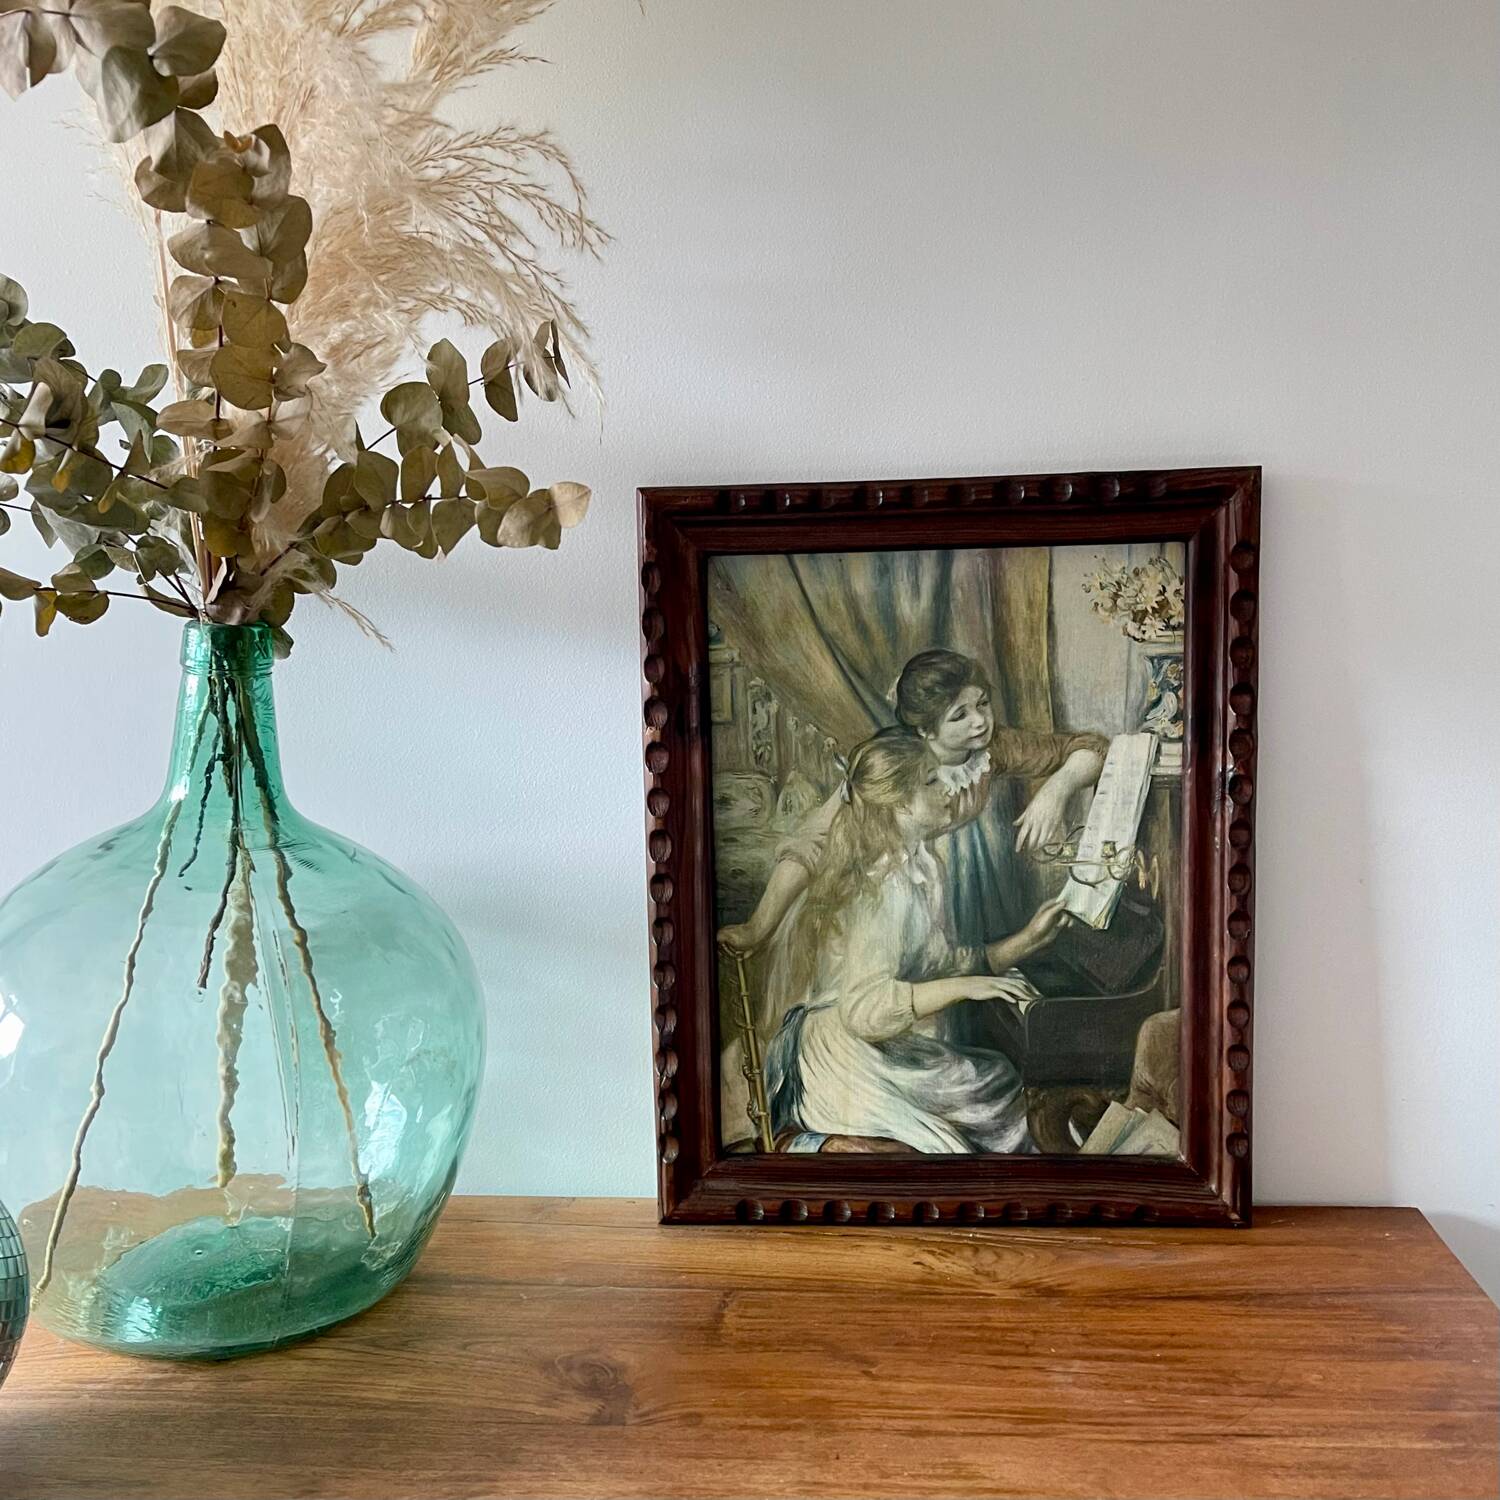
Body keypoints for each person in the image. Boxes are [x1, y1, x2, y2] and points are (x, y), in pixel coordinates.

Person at [763, 729, 1072, 1153]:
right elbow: (864, 1010)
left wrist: (1026, 941)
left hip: (880, 1043)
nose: (947, 787)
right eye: (931, 780)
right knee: (964, 1128)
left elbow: (938, 962)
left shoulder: (923, 868)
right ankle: (815, 1144)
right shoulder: (882, 888)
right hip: (844, 1055)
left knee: (995, 1079)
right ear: (900, 804)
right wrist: (967, 987)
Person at [720, 648, 1107, 956]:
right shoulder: (892, 762)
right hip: (878, 898)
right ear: (926, 728)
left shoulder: (992, 748)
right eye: (960, 715)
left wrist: (1058, 789)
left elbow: (1091, 747)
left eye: (983, 704)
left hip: (949, 889)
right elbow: (814, 841)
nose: (980, 721)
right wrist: (758, 927)